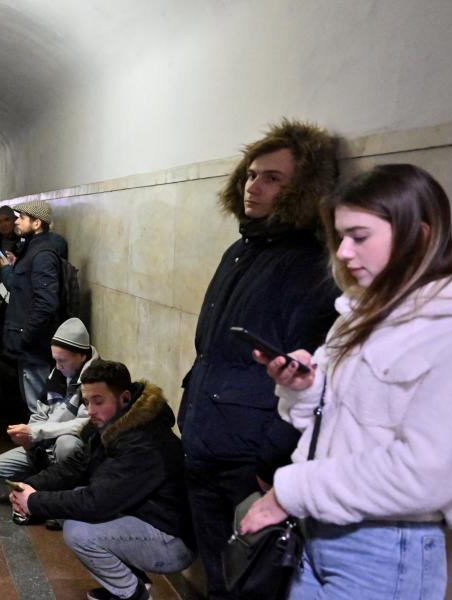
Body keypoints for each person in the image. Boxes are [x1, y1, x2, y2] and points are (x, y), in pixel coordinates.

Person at [239, 164, 452, 599]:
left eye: (359, 237)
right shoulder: (363, 313)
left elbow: (427, 472)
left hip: (386, 547)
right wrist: (303, 387)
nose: (344, 252)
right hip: (322, 533)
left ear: (419, 235)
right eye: (340, 236)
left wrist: (290, 492)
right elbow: (334, 420)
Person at [177, 120, 340, 598]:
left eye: (273, 178)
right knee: (218, 575)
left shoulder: (308, 263)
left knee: (253, 580)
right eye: (250, 175)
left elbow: (307, 369)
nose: (255, 186)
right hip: (205, 438)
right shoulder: (240, 251)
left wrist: (267, 453)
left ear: (302, 191)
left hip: (248, 453)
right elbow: (210, 345)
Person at [11, 361, 194, 600]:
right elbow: (75, 466)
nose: (90, 410)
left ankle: (133, 593)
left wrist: (34, 502)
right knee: (73, 502)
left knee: (79, 531)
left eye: (98, 401)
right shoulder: (114, 425)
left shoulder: (142, 442)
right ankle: (132, 582)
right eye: (87, 402)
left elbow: (97, 502)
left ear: (125, 398)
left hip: (172, 541)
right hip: (145, 519)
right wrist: (28, 486)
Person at [0, 318, 97, 481]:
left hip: (66, 444)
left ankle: (58, 483)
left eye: (62, 360)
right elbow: (40, 413)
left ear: (81, 356)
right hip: (46, 444)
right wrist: (28, 438)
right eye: (55, 360)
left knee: (67, 445)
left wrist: (37, 433)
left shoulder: (95, 380)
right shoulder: (58, 373)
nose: (58, 366)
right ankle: (45, 474)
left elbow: (83, 425)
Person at [1, 199, 69, 415]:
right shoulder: (31, 251)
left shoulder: (42, 255)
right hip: (28, 345)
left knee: (40, 408)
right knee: (35, 404)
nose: (17, 222)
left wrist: (26, 336)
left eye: (21, 218)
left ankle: (44, 448)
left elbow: (46, 303)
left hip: (34, 347)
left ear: (37, 223)